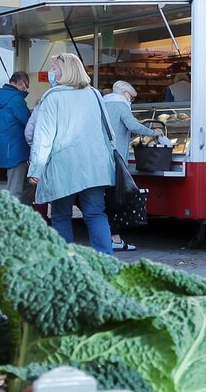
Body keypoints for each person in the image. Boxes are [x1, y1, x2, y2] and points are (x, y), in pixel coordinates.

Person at [28, 51, 118, 256]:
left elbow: (44, 137)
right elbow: (109, 132)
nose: (51, 72)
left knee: (60, 215)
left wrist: (36, 168)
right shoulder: (95, 94)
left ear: (65, 71)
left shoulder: (53, 97)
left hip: (63, 166)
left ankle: (66, 263)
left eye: (55, 68)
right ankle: (106, 261)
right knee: (96, 214)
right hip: (96, 165)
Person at [101, 81, 156, 253]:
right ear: (124, 92)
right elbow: (132, 125)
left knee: (102, 200)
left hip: (100, 158)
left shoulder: (102, 104)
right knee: (115, 200)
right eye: (131, 97)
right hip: (115, 160)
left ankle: (106, 237)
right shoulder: (120, 105)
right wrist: (154, 133)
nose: (131, 101)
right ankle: (115, 239)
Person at [0, 71, 32, 196]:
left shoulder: (0, 97)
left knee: (26, 186)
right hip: (17, 148)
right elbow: (28, 121)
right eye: (26, 85)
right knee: (15, 189)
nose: (26, 89)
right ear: (21, 83)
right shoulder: (16, 99)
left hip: (7, 147)